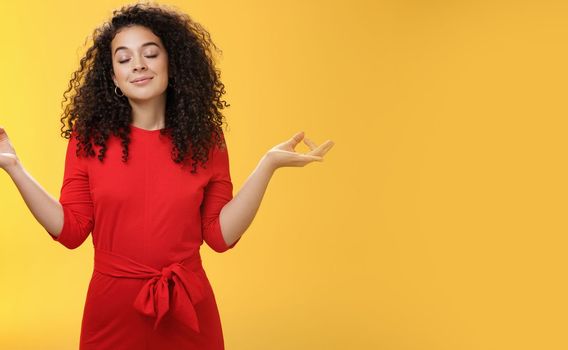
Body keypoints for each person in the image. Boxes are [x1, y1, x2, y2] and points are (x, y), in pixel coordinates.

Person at [0, 3, 334, 349]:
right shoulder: (89, 139)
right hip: (112, 310)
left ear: (171, 63)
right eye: (124, 58)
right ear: (113, 76)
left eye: (150, 53)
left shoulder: (206, 139)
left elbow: (219, 237)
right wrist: (14, 167)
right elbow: (71, 230)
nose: (139, 65)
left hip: (189, 310)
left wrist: (267, 165)